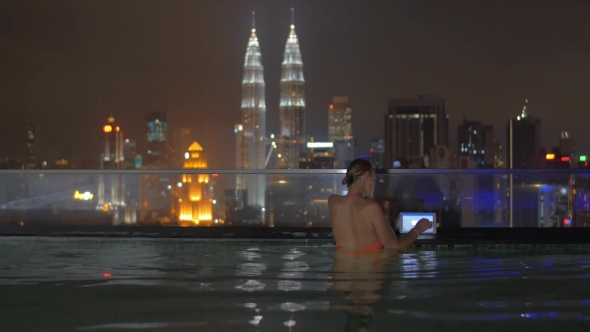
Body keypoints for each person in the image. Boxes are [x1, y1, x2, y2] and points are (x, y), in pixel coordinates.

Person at [328, 159, 432, 250]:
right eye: (374, 179)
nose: (374, 184)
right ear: (366, 176)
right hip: (369, 272)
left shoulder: (333, 202)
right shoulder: (371, 208)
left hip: (341, 271)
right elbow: (395, 246)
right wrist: (418, 228)